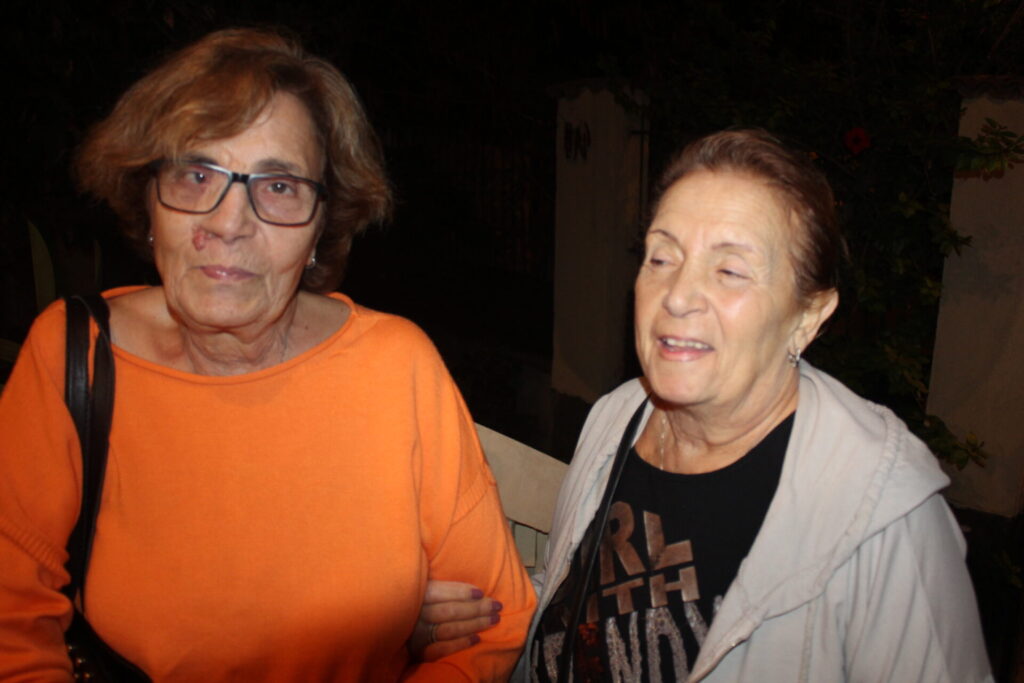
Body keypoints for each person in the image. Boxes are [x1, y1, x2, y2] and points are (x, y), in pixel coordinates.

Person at [0, 28, 533, 681]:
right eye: (197, 175)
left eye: (278, 187)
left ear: (320, 229)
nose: (229, 223)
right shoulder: (74, 357)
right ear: (148, 202)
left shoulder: (396, 366)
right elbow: (11, 621)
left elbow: (495, 621)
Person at [425, 128, 993, 681]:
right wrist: (474, 621)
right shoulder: (616, 417)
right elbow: (578, 608)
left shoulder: (884, 516)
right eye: (661, 258)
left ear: (808, 316)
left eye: (729, 271)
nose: (676, 295)